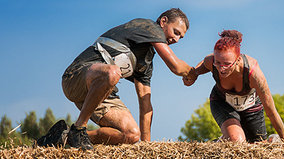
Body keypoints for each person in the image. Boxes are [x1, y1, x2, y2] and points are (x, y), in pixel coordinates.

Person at [37, 8, 196, 150]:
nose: (176, 39)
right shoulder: (148, 27)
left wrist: (147, 147)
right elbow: (176, 66)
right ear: (163, 22)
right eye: (176, 32)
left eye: (180, 37)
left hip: (100, 92)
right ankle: (79, 129)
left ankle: (64, 138)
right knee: (112, 73)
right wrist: (193, 72)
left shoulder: (146, 62)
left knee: (131, 135)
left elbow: (145, 102)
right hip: (75, 77)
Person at [183, 30, 284, 143]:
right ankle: (216, 145)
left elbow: (271, 111)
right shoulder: (211, 61)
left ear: (238, 60)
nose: (221, 68)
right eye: (218, 63)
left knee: (257, 147)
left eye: (227, 64)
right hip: (222, 103)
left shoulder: (254, 74)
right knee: (237, 141)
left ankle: (271, 140)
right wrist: (192, 75)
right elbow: (198, 68)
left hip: (251, 108)